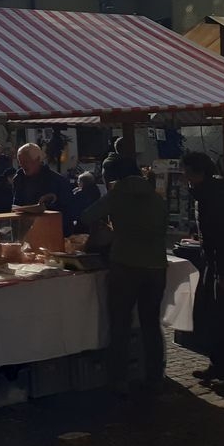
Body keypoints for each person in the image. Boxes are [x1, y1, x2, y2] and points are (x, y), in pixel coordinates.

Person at [78, 156, 167, 392]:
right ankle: (155, 376)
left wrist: (110, 228)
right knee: (151, 323)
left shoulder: (118, 193)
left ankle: (119, 379)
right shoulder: (154, 193)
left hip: (126, 264)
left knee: (120, 324)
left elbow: (86, 216)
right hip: (157, 266)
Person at [183, 152, 224, 396]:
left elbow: (222, 236)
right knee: (213, 317)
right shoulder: (208, 193)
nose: (184, 176)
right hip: (217, 261)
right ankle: (219, 366)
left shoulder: (214, 196)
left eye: (186, 171)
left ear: (196, 172)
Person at [12, 143, 72, 234]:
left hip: (50, 230)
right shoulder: (18, 179)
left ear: (38, 160)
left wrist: (51, 202)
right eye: (20, 162)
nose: (23, 166)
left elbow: (67, 211)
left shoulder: (57, 181)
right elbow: (16, 204)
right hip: (26, 230)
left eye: (26, 162)